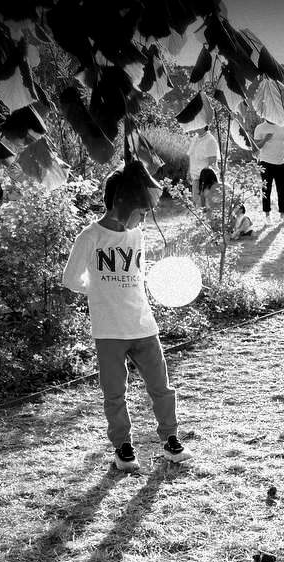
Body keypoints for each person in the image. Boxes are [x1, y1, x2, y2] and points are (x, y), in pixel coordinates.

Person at [61, 163, 190, 472]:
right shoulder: (90, 237)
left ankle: (170, 440)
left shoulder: (137, 236)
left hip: (143, 325)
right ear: (122, 203)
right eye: (141, 211)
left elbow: (137, 276)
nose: (144, 218)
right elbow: (70, 279)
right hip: (109, 331)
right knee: (115, 393)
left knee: (161, 387)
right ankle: (123, 448)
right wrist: (98, 291)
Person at [253, 117, 284, 222]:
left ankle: (283, 216)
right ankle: (267, 216)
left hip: (281, 163)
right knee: (266, 190)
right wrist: (265, 139)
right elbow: (255, 147)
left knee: (282, 190)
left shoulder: (283, 127)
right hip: (266, 163)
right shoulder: (260, 128)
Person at [186, 124, 221, 213]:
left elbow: (212, 161)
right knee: (196, 202)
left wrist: (204, 181)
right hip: (195, 177)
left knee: (208, 204)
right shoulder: (195, 138)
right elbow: (192, 156)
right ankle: (200, 224)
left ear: (203, 126)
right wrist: (189, 171)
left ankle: (210, 223)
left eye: (197, 123)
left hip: (207, 179)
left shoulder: (210, 140)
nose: (194, 126)